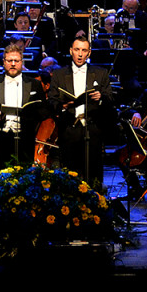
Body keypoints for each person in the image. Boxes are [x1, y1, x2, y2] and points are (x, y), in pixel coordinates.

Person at [48, 33, 116, 185]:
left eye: (84, 50)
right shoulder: (59, 74)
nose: (80, 54)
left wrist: (101, 98)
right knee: (69, 177)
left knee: (93, 177)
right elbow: (52, 100)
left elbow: (110, 100)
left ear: (89, 53)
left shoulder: (100, 73)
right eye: (77, 49)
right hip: (69, 130)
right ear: (71, 50)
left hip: (92, 130)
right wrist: (62, 106)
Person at [0, 42, 46, 167]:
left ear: (22, 62)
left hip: (25, 141)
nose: (13, 64)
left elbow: (43, 110)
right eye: (9, 60)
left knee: (24, 177)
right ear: (4, 62)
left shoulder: (35, 84)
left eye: (16, 61)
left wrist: (29, 115)